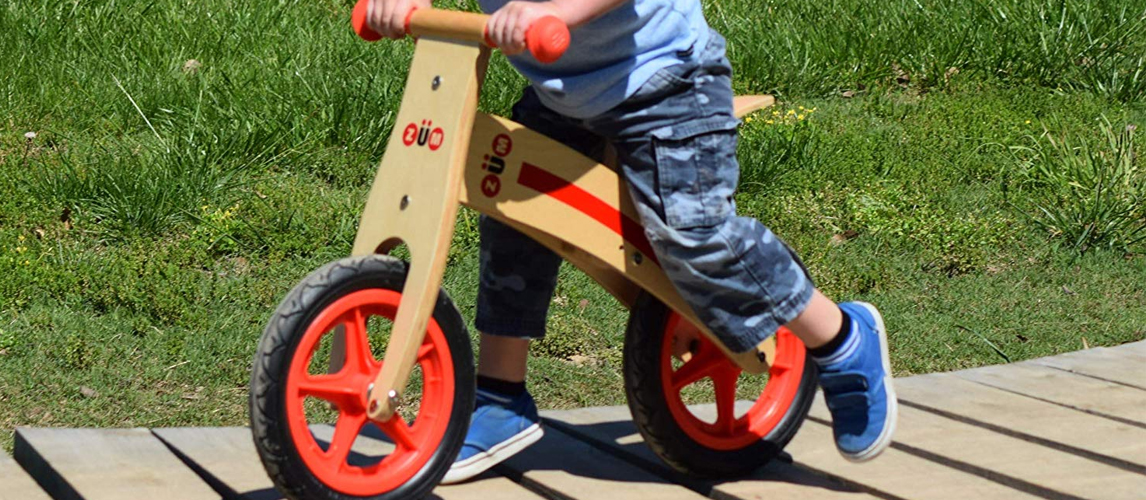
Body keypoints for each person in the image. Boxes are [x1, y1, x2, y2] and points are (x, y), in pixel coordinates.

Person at [365, 0, 898, 483]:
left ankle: (840, 338)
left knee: (695, 234)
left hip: (664, 81)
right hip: (564, 88)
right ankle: (502, 395)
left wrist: (555, 12)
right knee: (506, 201)